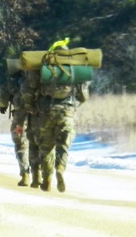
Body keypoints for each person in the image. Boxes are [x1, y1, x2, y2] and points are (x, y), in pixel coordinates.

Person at [36, 40, 90, 193]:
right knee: (63, 144)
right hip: (67, 112)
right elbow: (83, 96)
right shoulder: (75, 70)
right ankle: (60, 168)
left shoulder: (45, 68)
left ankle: (46, 178)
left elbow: (33, 91)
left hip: (46, 112)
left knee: (46, 147)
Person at [0, 63, 37, 186]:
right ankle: (39, 175)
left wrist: (3, 106)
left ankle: (25, 175)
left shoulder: (14, 79)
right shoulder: (40, 78)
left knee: (20, 144)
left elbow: (4, 95)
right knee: (37, 144)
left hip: (20, 118)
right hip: (38, 116)